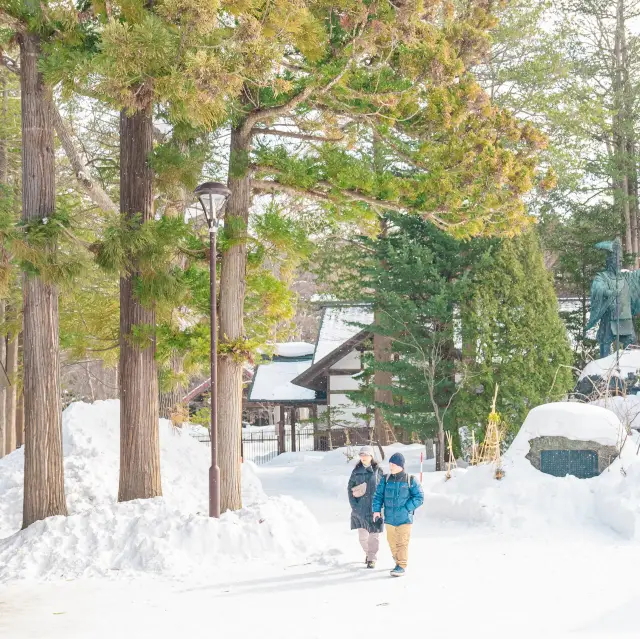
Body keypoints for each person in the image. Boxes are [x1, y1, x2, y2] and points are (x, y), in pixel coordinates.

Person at [373, 452, 424, 577]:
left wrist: (407, 508)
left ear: (401, 465)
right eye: (390, 464)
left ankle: (401, 565)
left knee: (402, 542)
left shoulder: (410, 479)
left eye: (394, 464)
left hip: (404, 518)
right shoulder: (385, 479)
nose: (391, 466)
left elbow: (419, 497)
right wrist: (376, 510)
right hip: (389, 518)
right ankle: (398, 561)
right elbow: (378, 496)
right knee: (392, 541)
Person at [348, 446, 383, 568]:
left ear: (371, 457)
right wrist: (354, 506)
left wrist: (381, 506)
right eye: (361, 455)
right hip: (360, 508)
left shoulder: (378, 471)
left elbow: (383, 489)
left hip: (375, 509)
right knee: (363, 537)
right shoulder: (356, 471)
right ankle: (368, 554)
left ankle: (372, 558)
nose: (363, 457)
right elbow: (349, 489)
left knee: (374, 535)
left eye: (366, 455)